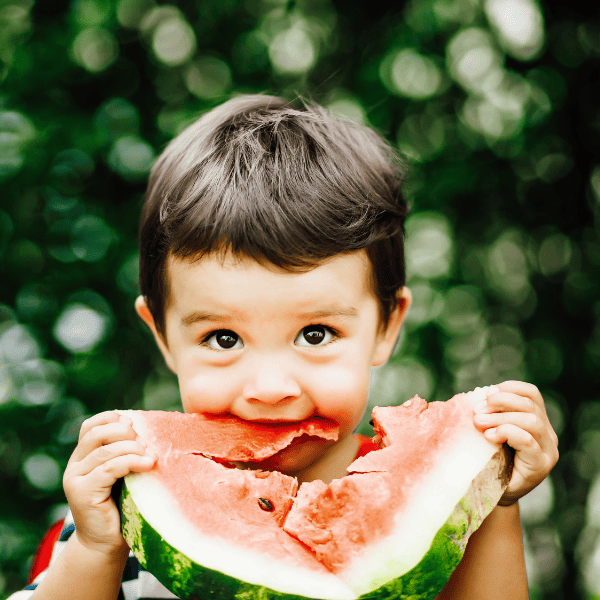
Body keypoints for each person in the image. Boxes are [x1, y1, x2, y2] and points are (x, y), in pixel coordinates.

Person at [10, 94, 559, 600]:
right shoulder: (104, 529)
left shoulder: (440, 513)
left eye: (315, 335)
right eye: (223, 339)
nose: (270, 388)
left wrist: (492, 496)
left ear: (388, 325)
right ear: (162, 336)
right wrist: (93, 550)